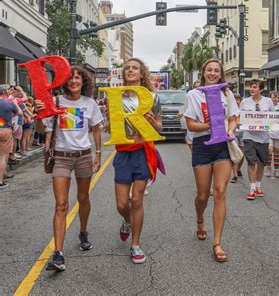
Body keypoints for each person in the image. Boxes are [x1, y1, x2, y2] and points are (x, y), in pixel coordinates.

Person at [35, 66, 103, 271]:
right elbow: (41, 129)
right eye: (71, 78)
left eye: (78, 78)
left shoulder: (89, 103)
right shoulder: (56, 101)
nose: (74, 81)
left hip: (83, 155)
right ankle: (58, 254)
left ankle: (83, 232)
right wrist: (38, 114)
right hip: (61, 157)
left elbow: (97, 128)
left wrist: (98, 154)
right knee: (61, 204)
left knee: (83, 198)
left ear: (84, 82)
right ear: (64, 81)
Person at [106, 58, 162, 265]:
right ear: (124, 73)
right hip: (123, 153)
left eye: (135, 68)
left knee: (137, 200)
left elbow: (159, 128)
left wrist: (152, 121)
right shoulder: (116, 97)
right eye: (127, 68)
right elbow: (110, 129)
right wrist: (109, 119)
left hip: (143, 152)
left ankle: (136, 245)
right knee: (122, 203)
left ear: (141, 73)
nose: (130, 70)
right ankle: (127, 221)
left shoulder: (152, 98)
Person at [184, 59, 239, 262]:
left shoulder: (227, 93)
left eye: (217, 70)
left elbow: (234, 117)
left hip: (222, 146)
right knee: (202, 195)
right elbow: (190, 125)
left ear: (220, 73)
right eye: (210, 70)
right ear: (203, 72)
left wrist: (230, 129)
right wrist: (210, 125)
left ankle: (217, 243)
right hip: (202, 146)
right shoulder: (194, 95)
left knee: (220, 192)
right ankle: (200, 219)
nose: (213, 73)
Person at [240, 79, 274, 200]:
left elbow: (272, 119)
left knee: (261, 163)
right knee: (251, 161)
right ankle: (252, 188)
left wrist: (271, 140)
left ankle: (258, 186)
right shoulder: (245, 102)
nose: (252, 89)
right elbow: (241, 117)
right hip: (249, 136)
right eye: (251, 87)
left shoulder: (268, 101)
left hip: (263, 137)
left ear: (261, 89)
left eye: (255, 87)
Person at [0, 85, 21, 188]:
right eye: (8, 90)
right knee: (3, 156)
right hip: (5, 130)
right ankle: (0, 181)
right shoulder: (9, 103)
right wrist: (16, 104)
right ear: (4, 92)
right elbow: (20, 113)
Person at [231, 93, 245, 182]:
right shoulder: (231, 110)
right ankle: (235, 174)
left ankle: (239, 169)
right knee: (236, 153)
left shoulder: (243, 110)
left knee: (242, 154)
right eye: (235, 100)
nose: (236, 102)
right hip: (234, 133)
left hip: (244, 132)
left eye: (238, 100)